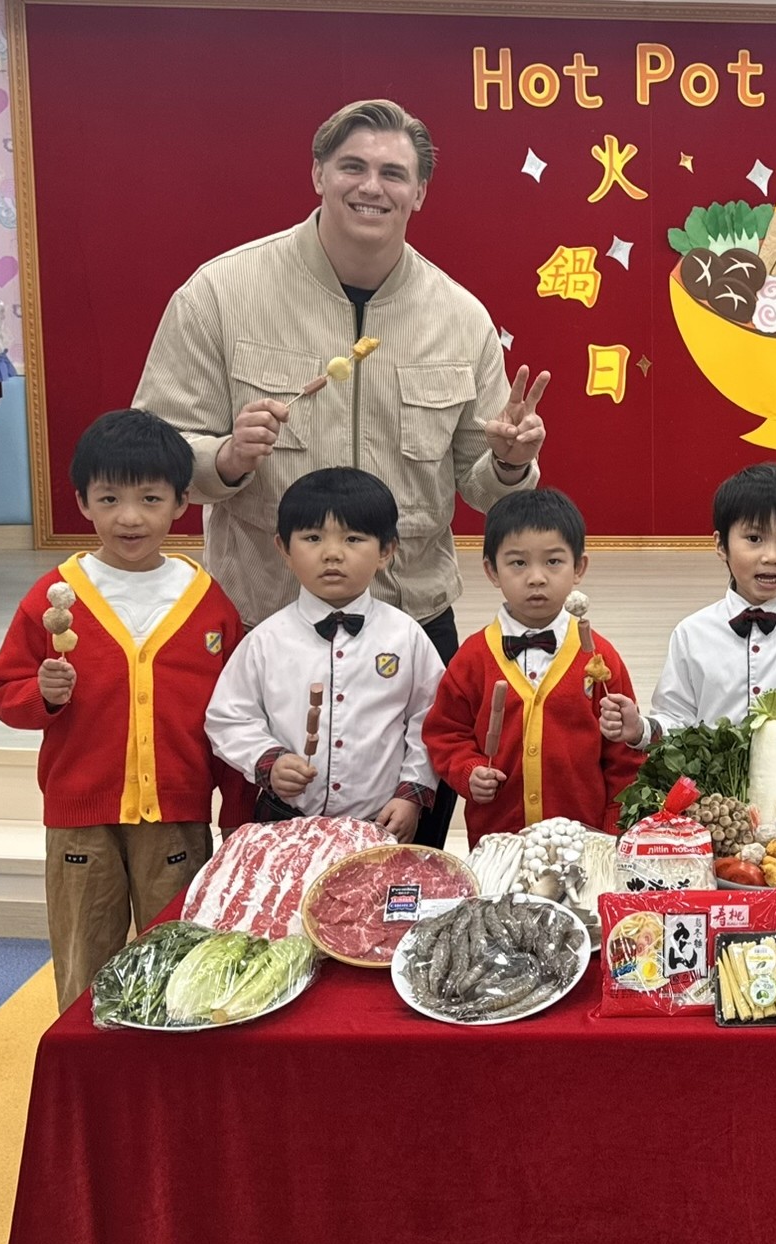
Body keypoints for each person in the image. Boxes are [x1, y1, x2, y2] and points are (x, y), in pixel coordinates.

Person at [133, 97, 549, 848]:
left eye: (394, 173)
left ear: (420, 192)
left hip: (413, 619)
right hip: (265, 619)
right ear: (318, 174)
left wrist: (512, 461)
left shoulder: (460, 317)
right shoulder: (221, 293)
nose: (372, 186)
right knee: (268, 856)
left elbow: (480, 483)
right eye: (352, 166)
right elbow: (153, 454)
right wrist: (225, 458)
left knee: (407, 862)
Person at [0, 410, 244, 1009]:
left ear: (181, 502)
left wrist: (235, 812)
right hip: (80, 817)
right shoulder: (55, 596)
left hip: (177, 814)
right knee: (84, 966)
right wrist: (42, 695)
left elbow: (232, 719)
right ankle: (85, 1060)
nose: (130, 517)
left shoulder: (207, 603)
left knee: (177, 969)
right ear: (82, 502)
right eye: (109, 498)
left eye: (150, 498)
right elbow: (3, 690)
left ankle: (168, 1063)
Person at [206, 468, 442, 842]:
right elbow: (228, 717)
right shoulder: (266, 640)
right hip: (284, 822)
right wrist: (268, 760)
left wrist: (411, 792)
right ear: (284, 549)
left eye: (353, 538)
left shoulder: (406, 637)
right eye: (313, 538)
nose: (332, 554)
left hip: (379, 821)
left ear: (386, 551)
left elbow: (430, 719)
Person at [600, 463, 776, 749]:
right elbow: (676, 722)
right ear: (721, 544)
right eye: (754, 539)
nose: (772, 556)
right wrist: (640, 729)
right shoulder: (692, 633)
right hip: (714, 779)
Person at [423, 489, 643, 843]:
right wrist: (469, 770)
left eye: (553, 561)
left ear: (579, 568)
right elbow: (445, 733)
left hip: (584, 839)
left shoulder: (600, 658)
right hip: (497, 839)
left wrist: (614, 829)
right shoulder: (473, 658)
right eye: (518, 563)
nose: (536, 577)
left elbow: (623, 755)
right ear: (492, 571)